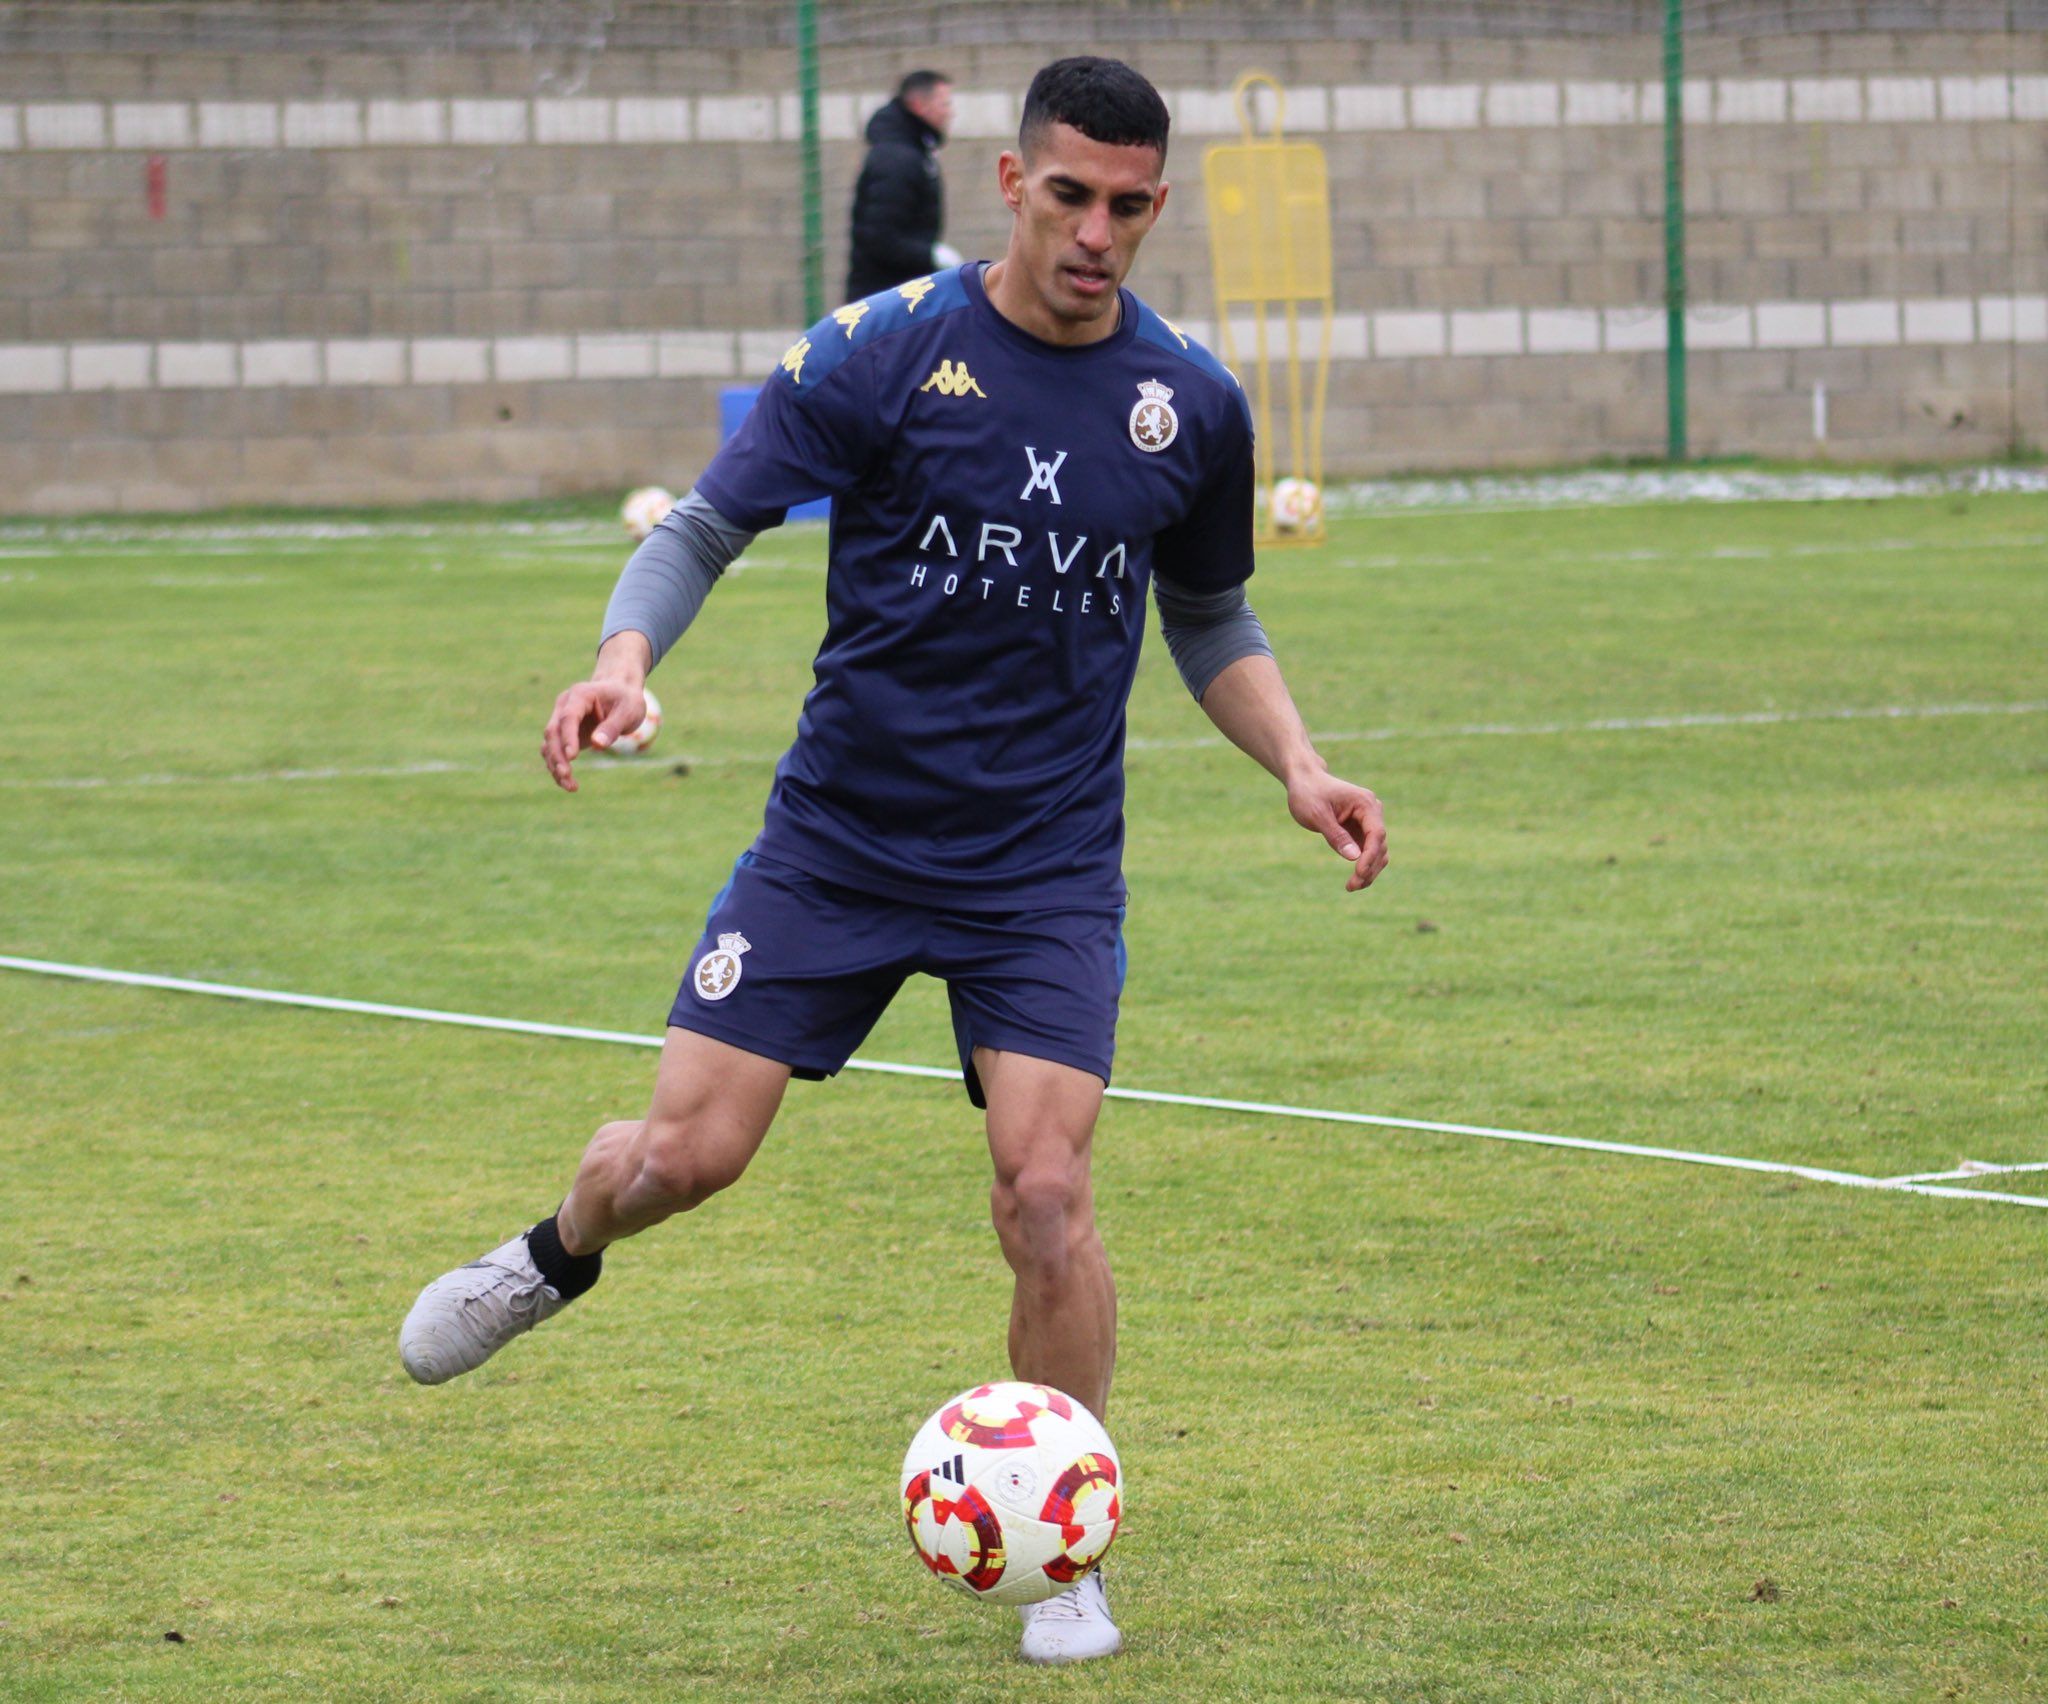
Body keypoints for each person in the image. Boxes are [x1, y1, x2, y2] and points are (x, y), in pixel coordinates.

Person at [400, 55, 1388, 1666]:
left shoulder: (1191, 403)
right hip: (840, 849)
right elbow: (706, 523)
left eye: (1131, 205)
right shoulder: (884, 352)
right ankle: (548, 1256)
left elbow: (1207, 614)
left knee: (1047, 1192)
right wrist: (626, 658)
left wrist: (1300, 761)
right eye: (1069, 195)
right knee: (681, 1162)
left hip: (1043, 872)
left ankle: (1062, 1542)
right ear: (1011, 184)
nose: (1098, 233)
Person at [845, 69, 958, 300]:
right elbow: (879, 237)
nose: (950, 113)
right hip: (883, 303)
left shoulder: (912, 151)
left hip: (897, 296)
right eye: (944, 104)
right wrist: (930, 255)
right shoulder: (897, 159)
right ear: (919, 105)